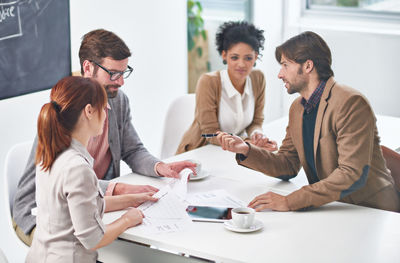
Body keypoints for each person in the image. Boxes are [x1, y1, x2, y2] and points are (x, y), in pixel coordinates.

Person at [13, 29, 196, 246]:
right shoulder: (66, 106)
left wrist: (160, 167)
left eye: (123, 72)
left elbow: (133, 149)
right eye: (113, 73)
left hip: (93, 205)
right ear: (88, 67)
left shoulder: (117, 101)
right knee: (91, 245)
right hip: (42, 216)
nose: (120, 82)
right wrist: (117, 189)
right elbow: (66, 178)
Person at [217, 31, 400, 212]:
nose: (280, 74)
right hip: (333, 208)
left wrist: (290, 201)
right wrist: (246, 150)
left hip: (370, 210)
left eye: (285, 65)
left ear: (307, 66)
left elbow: (351, 174)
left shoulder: (350, 103)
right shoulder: (298, 108)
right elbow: (287, 165)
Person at [26, 76, 157, 262]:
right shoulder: (77, 168)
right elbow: (93, 238)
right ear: (89, 111)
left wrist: (132, 200)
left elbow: (84, 207)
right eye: (104, 108)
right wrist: (128, 219)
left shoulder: (49, 154)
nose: (106, 116)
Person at [177, 21, 278, 154]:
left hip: (232, 153)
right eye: (235, 57)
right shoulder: (208, 82)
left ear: (255, 57)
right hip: (200, 152)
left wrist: (258, 135)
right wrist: (247, 143)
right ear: (224, 55)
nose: (241, 64)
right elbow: (210, 134)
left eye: (248, 58)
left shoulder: (258, 79)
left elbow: (256, 121)